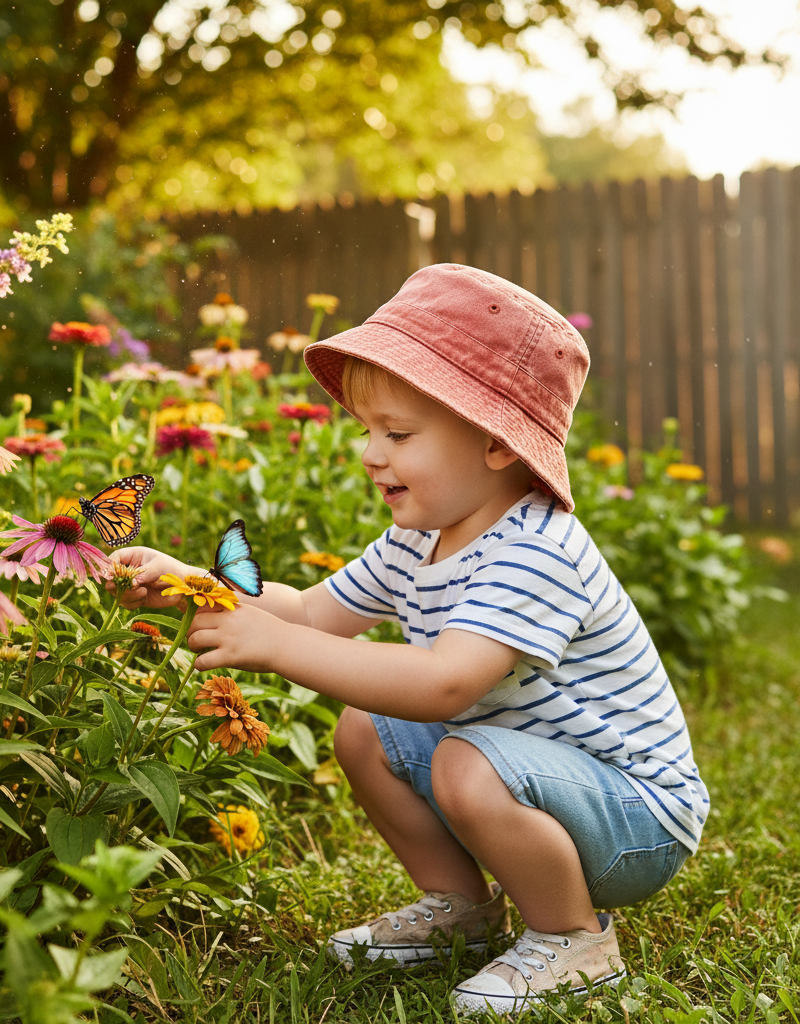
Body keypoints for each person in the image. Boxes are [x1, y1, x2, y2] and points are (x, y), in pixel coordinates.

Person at [111, 264, 708, 1014]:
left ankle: (576, 937)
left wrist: (269, 646)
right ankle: (460, 907)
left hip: (637, 820)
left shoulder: (538, 550)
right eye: (368, 430)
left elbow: (444, 684)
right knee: (366, 730)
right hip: (535, 782)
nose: (370, 453)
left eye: (397, 433)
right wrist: (197, 585)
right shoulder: (421, 539)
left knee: (463, 759)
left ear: (496, 445)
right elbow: (313, 612)